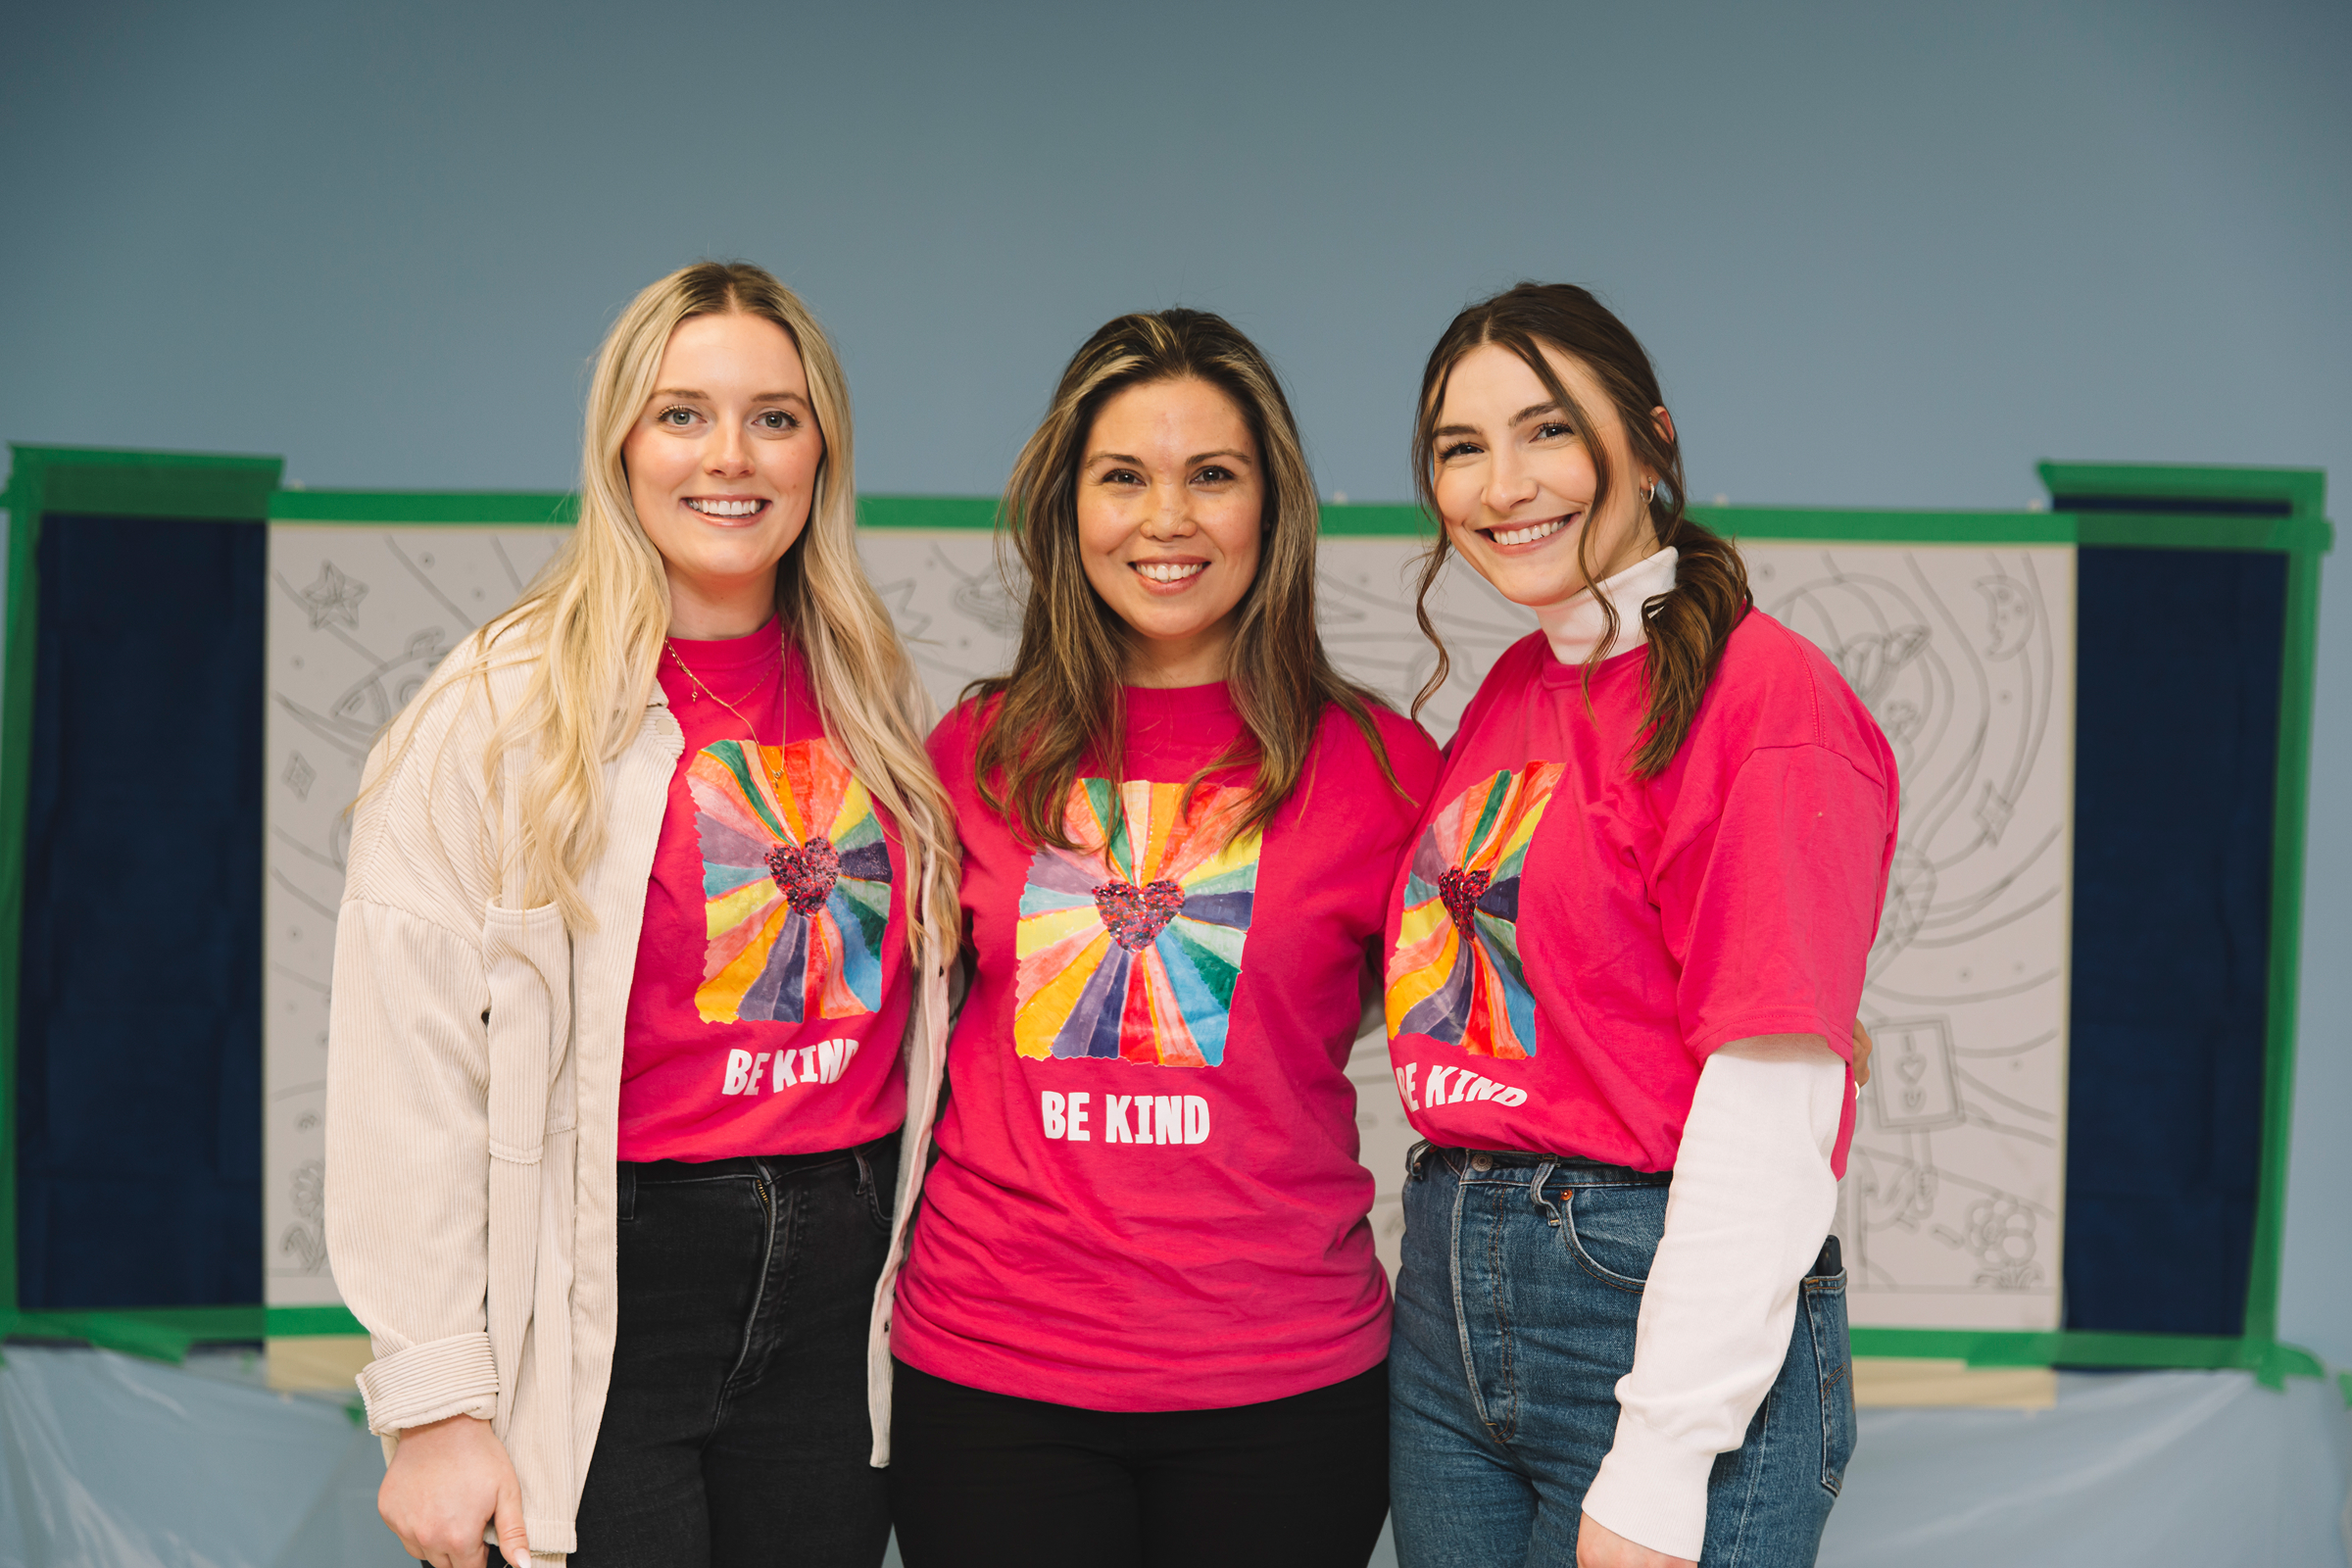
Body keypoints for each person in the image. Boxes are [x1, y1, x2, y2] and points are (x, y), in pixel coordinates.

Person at [324, 261, 957, 1568]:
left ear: (821, 449)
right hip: (610, 1284)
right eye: (683, 414)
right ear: (620, 441)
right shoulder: (497, 710)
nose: (730, 455)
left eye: (774, 417)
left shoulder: (871, 696)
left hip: (835, 1296)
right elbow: (405, 1068)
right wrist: (433, 1403)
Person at [882, 308, 1442, 1568]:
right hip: (993, 1382)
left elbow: (1489, 997)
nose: (1166, 518)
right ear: (1066, 507)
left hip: (1285, 1389)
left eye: (1213, 475)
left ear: (1273, 507)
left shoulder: (1386, 771)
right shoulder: (970, 755)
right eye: (1123, 476)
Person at [1382, 283, 1897, 1568]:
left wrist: (1668, 1454)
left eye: (1547, 431)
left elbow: (1771, 1097)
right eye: (1461, 447)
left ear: (1652, 442)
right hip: (1449, 1293)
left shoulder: (1761, 691)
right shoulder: (1517, 686)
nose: (1505, 483)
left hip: (1635, 1305)